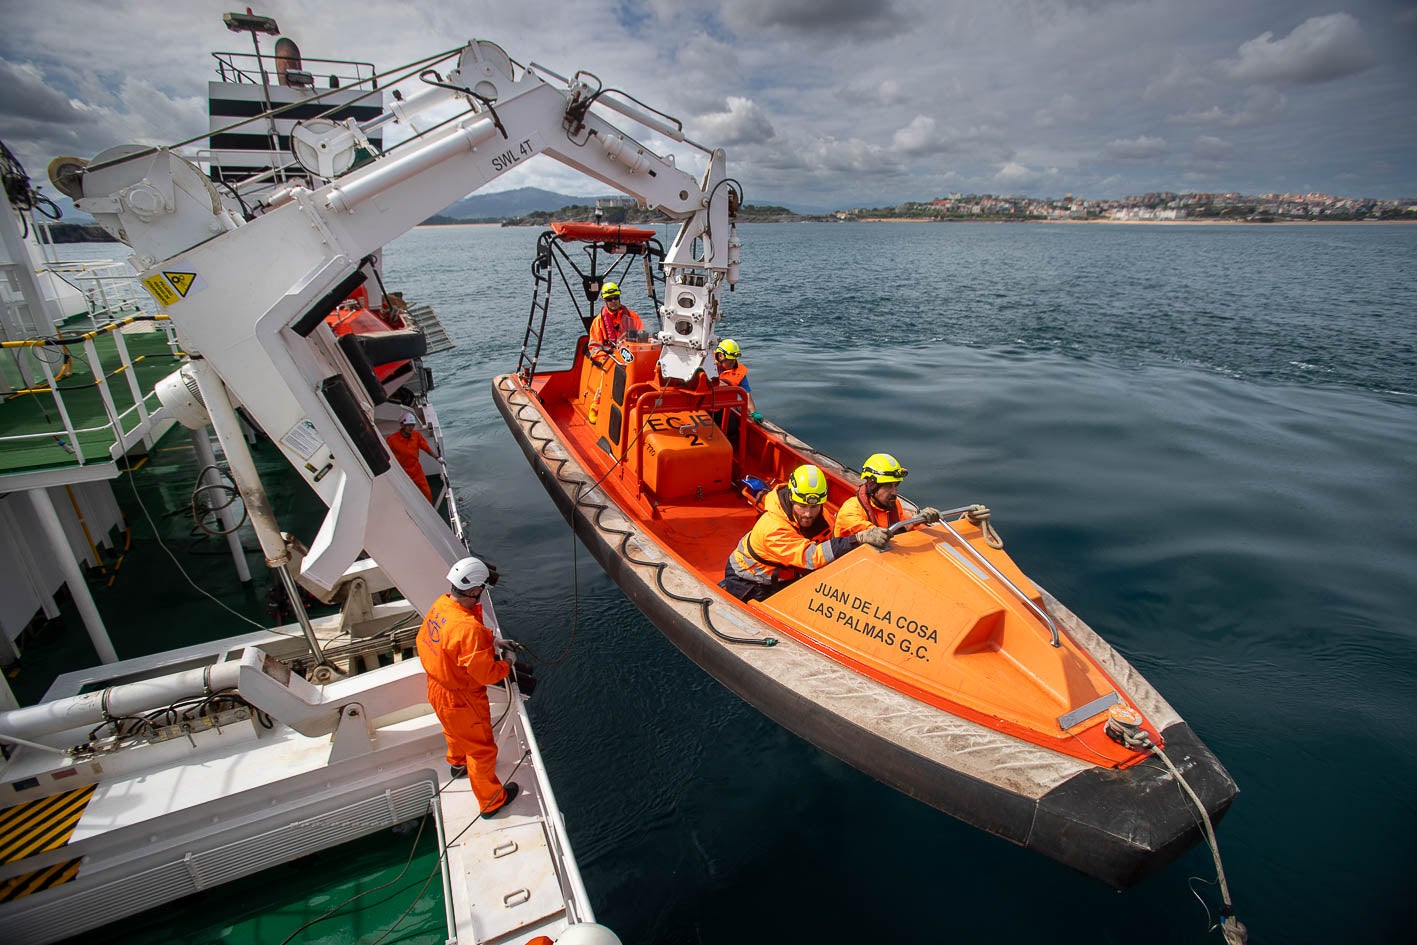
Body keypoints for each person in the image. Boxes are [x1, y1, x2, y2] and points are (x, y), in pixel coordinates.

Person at [417, 557, 536, 816]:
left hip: (437, 688)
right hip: (462, 698)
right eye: (481, 589)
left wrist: (492, 641)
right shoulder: (468, 629)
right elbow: (486, 674)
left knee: (453, 731)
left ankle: (458, 764)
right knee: (481, 749)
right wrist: (506, 662)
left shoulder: (442, 604)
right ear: (473, 590)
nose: (481, 593)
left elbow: (453, 640)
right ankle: (491, 801)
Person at [721, 464, 890, 602]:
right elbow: (813, 557)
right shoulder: (773, 528)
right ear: (791, 499)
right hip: (750, 581)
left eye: (814, 507)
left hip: (787, 573)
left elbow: (834, 541)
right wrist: (858, 539)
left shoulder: (820, 515)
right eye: (802, 506)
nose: (808, 514)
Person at [834, 452, 941, 537]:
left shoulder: (894, 504)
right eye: (888, 486)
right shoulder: (850, 513)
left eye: (896, 486)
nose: (894, 492)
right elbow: (877, 537)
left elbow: (898, 532)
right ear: (872, 485)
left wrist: (917, 519)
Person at [386, 411, 438, 503]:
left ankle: (429, 510)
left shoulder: (416, 435)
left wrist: (437, 458)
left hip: (416, 470)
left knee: (427, 493)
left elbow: (426, 448)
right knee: (406, 496)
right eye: (408, 425)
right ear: (402, 425)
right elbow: (386, 454)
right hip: (402, 472)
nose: (411, 428)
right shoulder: (392, 440)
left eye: (412, 425)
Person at [712, 338, 762, 427]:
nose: (733, 362)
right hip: (701, 407)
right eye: (731, 360)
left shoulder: (739, 372)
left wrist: (754, 413)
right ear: (720, 356)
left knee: (732, 428)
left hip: (723, 408)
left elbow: (746, 394)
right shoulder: (704, 362)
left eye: (735, 359)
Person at [588, 282, 643, 347]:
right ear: (604, 300)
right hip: (610, 355)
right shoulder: (598, 322)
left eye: (616, 297)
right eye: (609, 299)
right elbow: (595, 348)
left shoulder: (633, 316)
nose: (613, 301)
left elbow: (642, 338)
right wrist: (606, 357)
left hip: (632, 353)